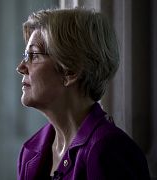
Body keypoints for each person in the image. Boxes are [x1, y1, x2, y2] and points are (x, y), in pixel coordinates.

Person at [16, 8, 150, 180]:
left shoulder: (109, 151)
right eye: (25, 55)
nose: (20, 67)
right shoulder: (30, 151)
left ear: (70, 71)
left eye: (33, 55)